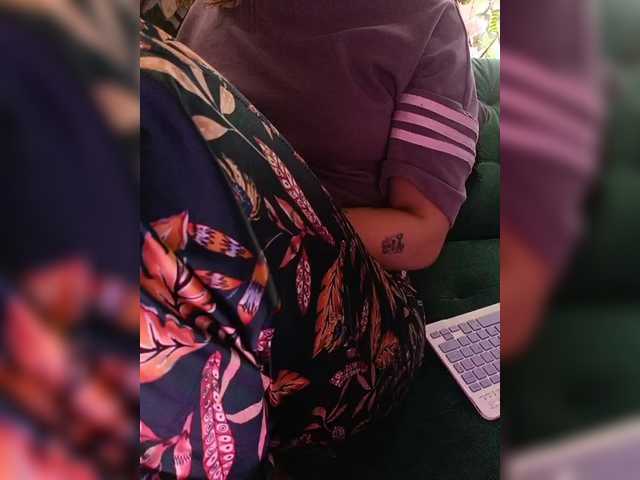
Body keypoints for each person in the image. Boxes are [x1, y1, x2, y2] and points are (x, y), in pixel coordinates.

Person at [140, 1, 479, 477]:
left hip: (360, 316)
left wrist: (251, 223)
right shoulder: (217, 8)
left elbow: (422, 232)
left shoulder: (427, 20)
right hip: (198, 269)